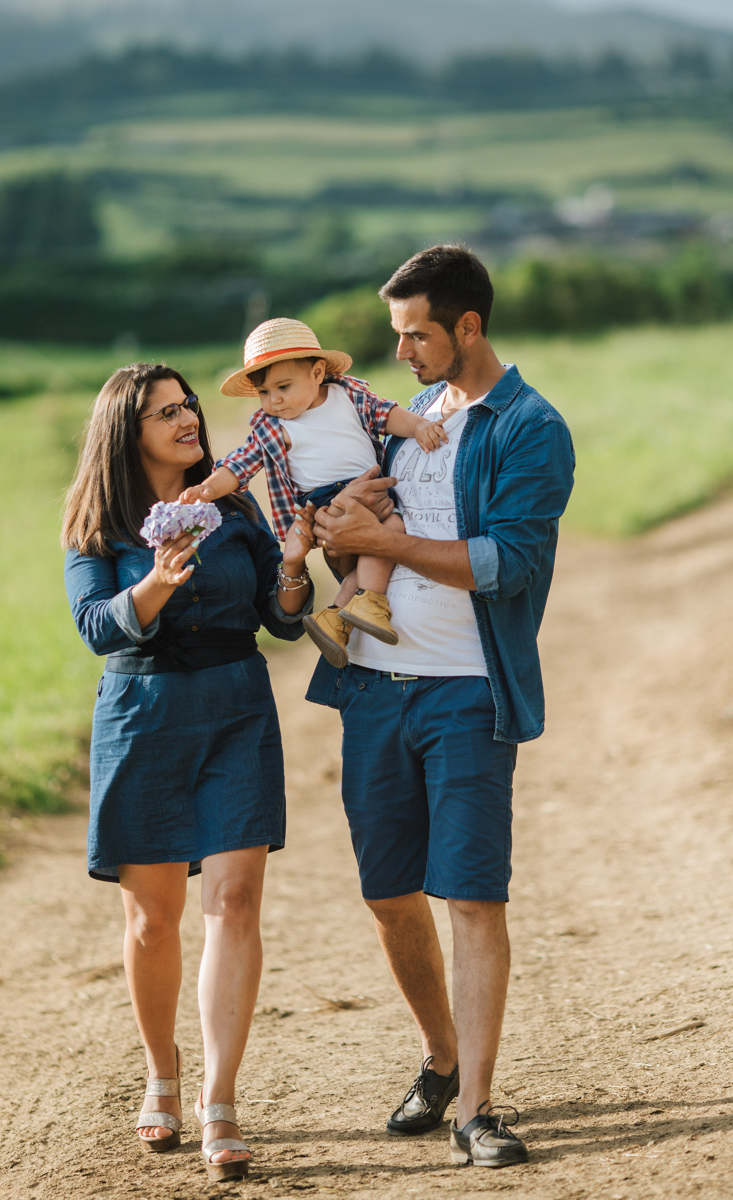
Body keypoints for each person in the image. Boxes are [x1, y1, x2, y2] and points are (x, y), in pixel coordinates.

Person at [304, 245, 575, 1169]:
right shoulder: (411, 415)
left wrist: (388, 540)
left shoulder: (530, 426)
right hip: (373, 688)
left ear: (469, 325)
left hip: (467, 691)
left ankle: (478, 1109)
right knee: (389, 896)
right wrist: (341, 539)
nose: (403, 350)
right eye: (395, 335)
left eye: (417, 333)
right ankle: (442, 1054)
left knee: (471, 897)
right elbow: (369, 532)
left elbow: (508, 563)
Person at [61, 363, 314, 1182]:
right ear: (127, 432)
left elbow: (279, 621)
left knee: (235, 902)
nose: (187, 419)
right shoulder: (97, 525)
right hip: (144, 718)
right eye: (165, 412)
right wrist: (155, 584)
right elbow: (98, 626)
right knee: (153, 922)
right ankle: (161, 1072)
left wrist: (293, 567)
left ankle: (220, 1098)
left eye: (188, 406)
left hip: (236, 709)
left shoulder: (234, 507)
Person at [180, 317, 447, 667]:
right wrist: (207, 489)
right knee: (386, 536)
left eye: (283, 387)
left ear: (318, 373)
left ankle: (337, 615)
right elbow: (239, 464)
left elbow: (387, 414)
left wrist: (420, 426)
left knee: (389, 537)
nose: (274, 400)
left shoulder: (348, 395)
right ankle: (371, 601)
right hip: (328, 502)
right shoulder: (274, 427)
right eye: (264, 392)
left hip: (371, 490)